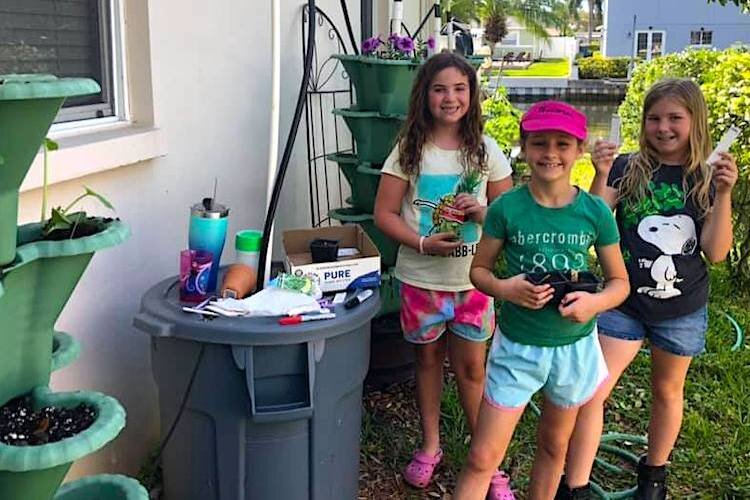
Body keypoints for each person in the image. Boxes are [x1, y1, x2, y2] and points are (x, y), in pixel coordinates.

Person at [560, 78, 738, 499]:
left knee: (667, 391)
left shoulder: (708, 175)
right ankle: (576, 484)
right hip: (622, 302)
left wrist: (725, 193)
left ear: (695, 122)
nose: (663, 127)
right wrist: (602, 173)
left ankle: (654, 475)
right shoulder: (627, 167)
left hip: (683, 310)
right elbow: (593, 221)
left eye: (675, 118)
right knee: (592, 393)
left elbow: (714, 252)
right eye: (654, 118)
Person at [452, 100, 630, 500]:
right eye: (539, 143)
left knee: (554, 447)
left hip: (573, 348)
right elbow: (478, 272)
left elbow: (620, 282)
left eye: (562, 144)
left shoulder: (595, 213)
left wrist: (593, 303)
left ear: (579, 150)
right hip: (517, 348)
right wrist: (506, 289)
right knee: (482, 456)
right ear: (524, 147)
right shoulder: (506, 208)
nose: (550, 153)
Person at [373, 52, 514, 497]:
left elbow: (507, 216)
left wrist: (483, 210)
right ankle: (431, 445)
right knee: (427, 361)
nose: (450, 98)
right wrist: (421, 243)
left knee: (473, 371)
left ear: (472, 95)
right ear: (424, 96)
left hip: (473, 281)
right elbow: (384, 213)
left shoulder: (486, 150)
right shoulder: (409, 151)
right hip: (421, 280)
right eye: (439, 89)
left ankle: (486, 461)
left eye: (459, 89)